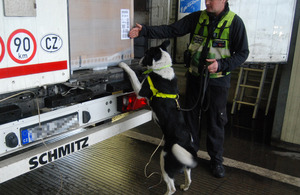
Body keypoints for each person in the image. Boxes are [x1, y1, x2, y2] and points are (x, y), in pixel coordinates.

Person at [129, 0, 249, 178]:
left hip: (218, 82)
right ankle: (189, 156)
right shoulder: (197, 18)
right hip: (195, 79)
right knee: (190, 121)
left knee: (216, 122)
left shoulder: (235, 23)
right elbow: (172, 30)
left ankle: (216, 161)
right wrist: (144, 31)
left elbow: (242, 53)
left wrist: (222, 64)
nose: (206, 2)